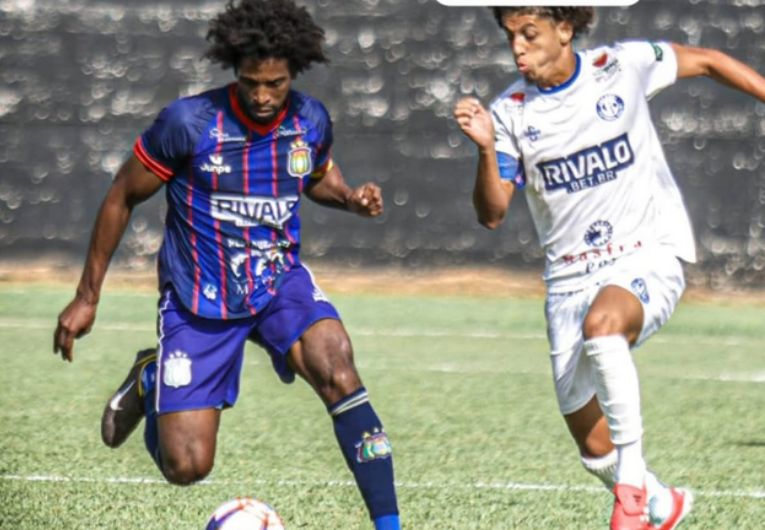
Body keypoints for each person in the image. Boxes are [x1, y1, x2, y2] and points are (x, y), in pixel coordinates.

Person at [52, 1, 400, 528]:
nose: (262, 96)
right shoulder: (189, 123)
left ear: (294, 74)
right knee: (187, 467)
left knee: (338, 365)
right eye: (250, 82)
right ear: (234, 70)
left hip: (277, 281)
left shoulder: (310, 120)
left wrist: (349, 197)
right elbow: (122, 196)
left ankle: (389, 524)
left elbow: (315, 176)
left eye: (275, 84)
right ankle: (152, 378)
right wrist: (87, 296)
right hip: (200, 296)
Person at [454, 6, 765, 530]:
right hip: (567, 283)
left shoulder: (621, 66)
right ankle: (662, 504)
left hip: (648, 253)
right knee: (594, 447)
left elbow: (708, 60)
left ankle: (631, 494)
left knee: (604, 327)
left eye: (529, 34)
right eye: (511, 37)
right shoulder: (509, 112)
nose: (518, 48)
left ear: (565, 29)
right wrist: (485, 149)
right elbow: (492, 213)